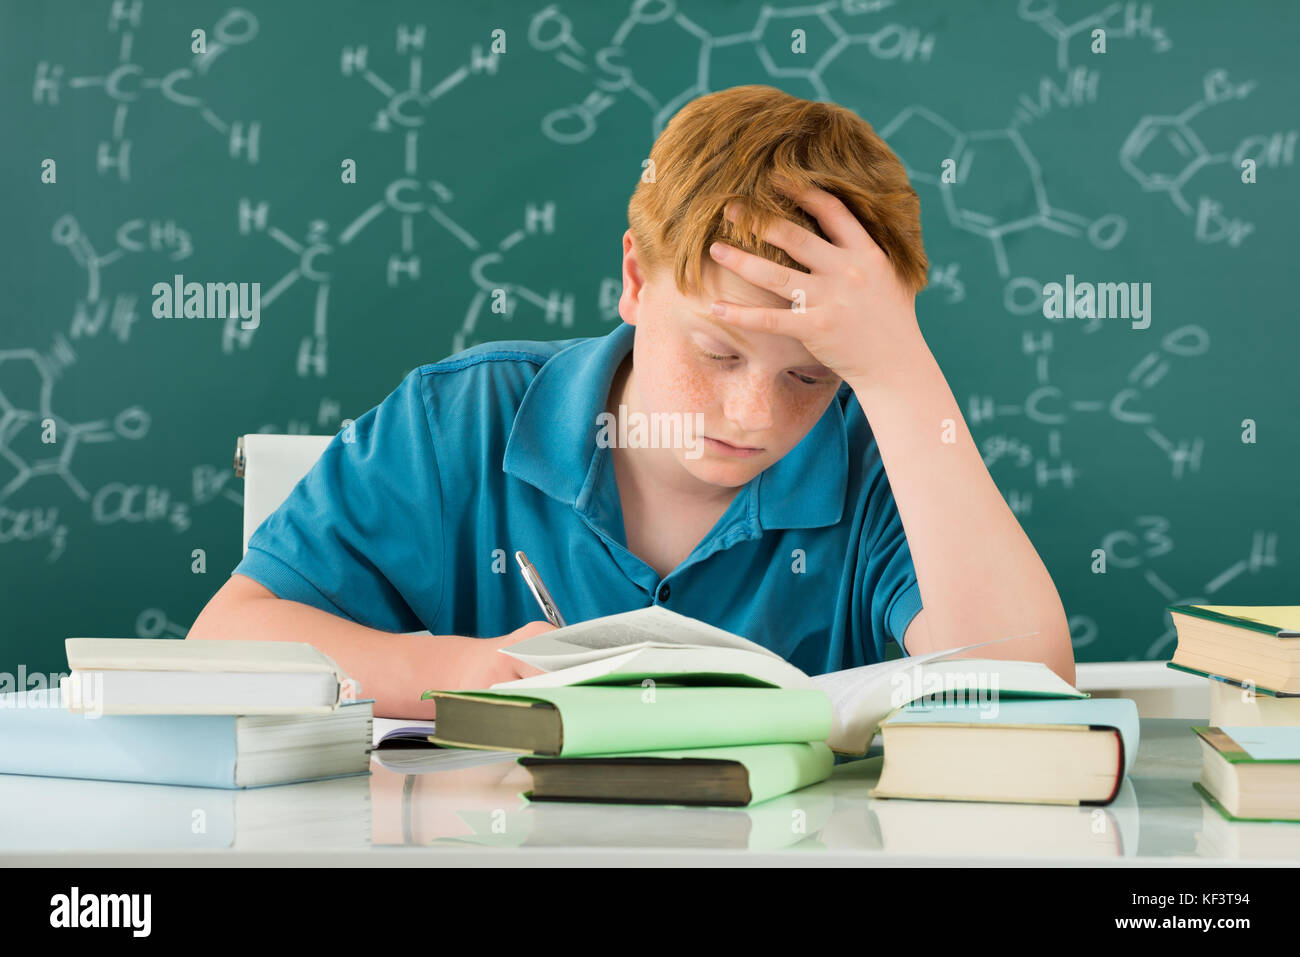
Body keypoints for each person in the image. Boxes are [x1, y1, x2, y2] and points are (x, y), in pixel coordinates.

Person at [188, 85, 1076, 718]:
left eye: (810, 374)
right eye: (717, 351)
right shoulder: (460, 418)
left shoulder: (884, 449)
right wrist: (460, 670)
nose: (753, 416)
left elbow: (1027, 686)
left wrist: (899, 371)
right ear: (635, 279)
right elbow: (225, 638)